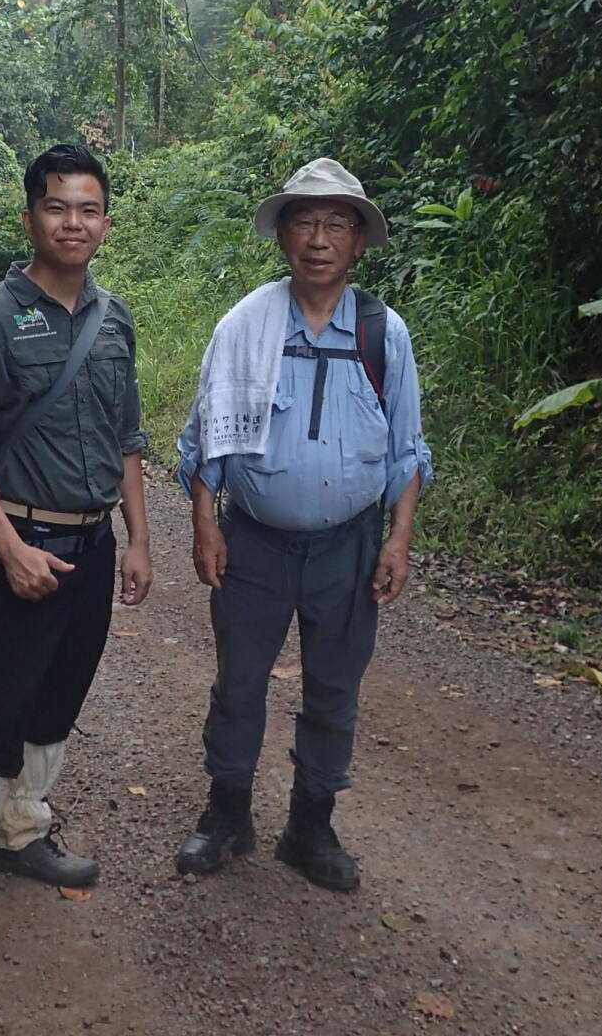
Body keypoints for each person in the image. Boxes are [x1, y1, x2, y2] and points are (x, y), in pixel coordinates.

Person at [173, 157, 432, 892]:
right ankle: (226, 816)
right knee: (239, 684)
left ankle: (310, 828)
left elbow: (408, 449)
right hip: (253, 540)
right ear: (283, 235)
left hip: (346, 547)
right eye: (305, 222)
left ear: (357, 242)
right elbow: (205, 439)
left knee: (333, 690)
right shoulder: (245, 325)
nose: (319, 238)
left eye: (337, 224)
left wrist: (398, 537)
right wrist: (206, 524)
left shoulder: (385, 334)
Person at [0, 143, 153, 950]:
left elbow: (127, 437)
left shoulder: (113, 316)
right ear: (30, 218)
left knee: (59, 702)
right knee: (4, 707)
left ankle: (22, 832)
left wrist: (137, 540)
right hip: (17, 546)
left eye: (88, 209)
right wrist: (11, 549)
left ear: (107, 224)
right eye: (58, 207)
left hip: (91, 547)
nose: (73, 222)